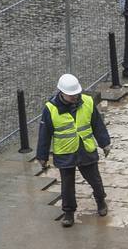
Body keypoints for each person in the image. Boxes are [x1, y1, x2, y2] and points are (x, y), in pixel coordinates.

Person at [35, 73, 110, 228]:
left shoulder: (87, 102)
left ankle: (101, 201)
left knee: (94, 179)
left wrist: (105, 143)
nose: (75, 97)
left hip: (85, 148)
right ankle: (68, 213)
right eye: (71, 96)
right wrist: (42, 156)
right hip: (65, 152)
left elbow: (97, 124)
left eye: (76, 94)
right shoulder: (51, 109)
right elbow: (44, 134)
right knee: (67, 185)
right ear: (61, 93)